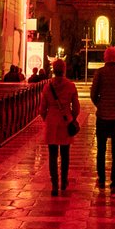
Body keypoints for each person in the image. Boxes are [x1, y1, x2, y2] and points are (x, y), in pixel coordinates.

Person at [89, 46, 115, 192]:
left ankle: (101, 178)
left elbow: (93, 94)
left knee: (101, 149)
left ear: (105, 57)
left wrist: (100, 105)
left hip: (102, 116)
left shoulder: (100, 73)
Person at [41, 59, 80, 195]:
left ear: (53, 69)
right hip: (65, 121)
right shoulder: (70, 86)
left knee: (52, 154)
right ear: (64, 69)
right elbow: (76, 107)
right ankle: (64, 181)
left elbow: (42, 109)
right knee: (65, 153)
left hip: (52, 120)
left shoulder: (47, 86)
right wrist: (73, 118)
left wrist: (47, 117)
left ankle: (54, 185)